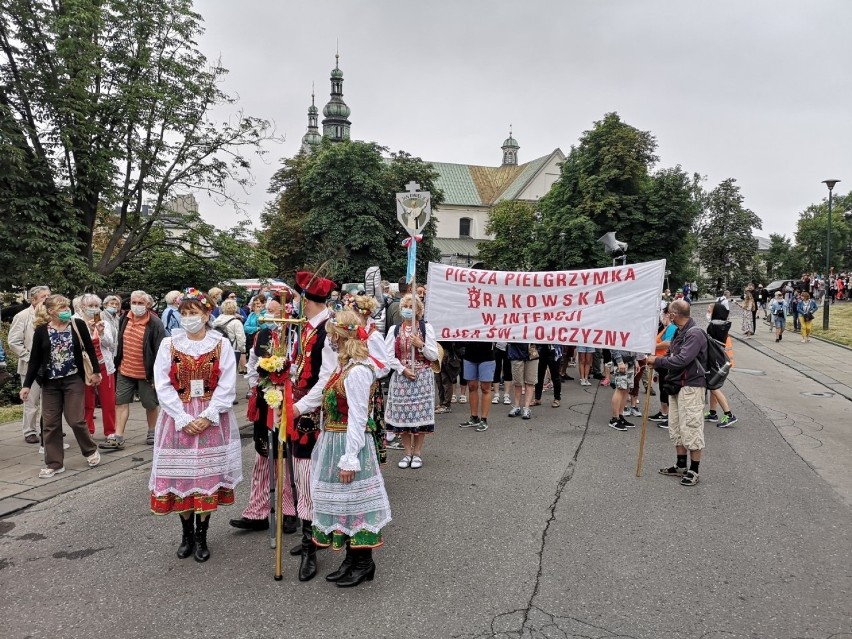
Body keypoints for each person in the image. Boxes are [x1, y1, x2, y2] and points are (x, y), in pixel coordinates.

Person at [148, 288, 242, 563]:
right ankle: (186, 533)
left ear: (207, 314)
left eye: (194, 313)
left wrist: (208, 415)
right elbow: (162, 383)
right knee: (182, 478)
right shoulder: (169, 344)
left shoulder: (220, 344)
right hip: (178, 418)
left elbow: (227, 384)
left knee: (205, 479)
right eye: (184, 313)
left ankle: (202, 534)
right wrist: (182, 416)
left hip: (212, 417)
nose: (188, 318)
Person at [311, 309, 392, 587]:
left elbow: (359, 417)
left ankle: (364, 562)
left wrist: (349, 458)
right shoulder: (344, 367)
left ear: (342, 336)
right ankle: (350, 558)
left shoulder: (357, 371)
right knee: (344, 504)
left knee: (357, 505)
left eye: (333, 334)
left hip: (349, 443)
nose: (330, 339)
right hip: (335, 440)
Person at [20, 294, 102, 478]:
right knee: (50, 424)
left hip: (73, 379)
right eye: (62, 309)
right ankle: (55, 463)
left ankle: (90, 450)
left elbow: (89, 348)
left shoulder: (77, 325)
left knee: (75, 420)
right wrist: (27, 385)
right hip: (50, 383)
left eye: (67, 307)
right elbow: (34, 361)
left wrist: (96, 372)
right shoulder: (42, 331)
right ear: (51, 312)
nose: (67, 311)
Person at [646, 300, 708, 487]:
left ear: (673, 315)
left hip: (691, 386)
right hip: (676, 385)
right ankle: (681, 465)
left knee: (691, 426)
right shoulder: (681, 332)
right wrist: (658, 363)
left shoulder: (695, 334)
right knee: (676, 427)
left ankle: (694, 469)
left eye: (668, 313)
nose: (666, 316)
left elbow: (682, 359)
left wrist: (657, 361)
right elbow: (671, 355)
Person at [103, 290, 165, 449]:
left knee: (150, 404)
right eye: (134, 302)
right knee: (121, 402)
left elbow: (159, 349)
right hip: (125, 370)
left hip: (145, 373)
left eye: (140, 303)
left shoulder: (155, 323)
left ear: (148, 305)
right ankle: (118, 436)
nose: (136, 306)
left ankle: (152, 431)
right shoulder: (124, 318)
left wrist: (156, 375)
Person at [384, 294, 438, 469]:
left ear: (418, 310)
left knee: (419, 416)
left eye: (411, 306)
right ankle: (407, 452)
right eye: (405, 305)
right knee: (403, 416)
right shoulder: (394, 329)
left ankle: (417, 453)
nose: (407, 309)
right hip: (402, 377)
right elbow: (387, 356)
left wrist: (420, 344)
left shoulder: (426, 328)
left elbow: (434, 355)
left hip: (422, 377)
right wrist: (402, 369)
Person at [7, 285, 51, 444]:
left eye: (48, 296)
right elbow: (13, 341)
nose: (47, 299)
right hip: (29, 366)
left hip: (48, 366)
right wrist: (29, 357)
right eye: (43, 297)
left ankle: (48, 429)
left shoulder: (50, 314)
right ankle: (30, 431)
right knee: (31, 402)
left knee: (49, 400)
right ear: (33, 299)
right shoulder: (23, 316)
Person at [79, 294, 117, 440]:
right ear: (82, 308)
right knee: (87, 401)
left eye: (96, 306)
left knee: (108, 401)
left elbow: (110, 344)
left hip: (104, 365)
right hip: (87, 367)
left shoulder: (102, 322)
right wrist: (88, 330)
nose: (94, 309)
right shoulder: (77, 323)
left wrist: (100, 332)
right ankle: (88, 430)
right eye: (91, 306)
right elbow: (79, 345)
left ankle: (110, 431)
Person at [705, 301, 737, 427]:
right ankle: (713, 412)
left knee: (713, 386)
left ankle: (729, 414)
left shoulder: (714, 325)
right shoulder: (723, 325)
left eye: (709, 311)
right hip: (721, 359)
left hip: (715, 360)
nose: (707, 313)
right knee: (713, 385)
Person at [458, 341, 495, 432]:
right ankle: (474, 417)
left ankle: (484, 419)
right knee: (472, 386)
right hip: (469, 355)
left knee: (485, 388)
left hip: (487, 355)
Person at [213, 299, 247, 376]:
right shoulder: (236, 322)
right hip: (232, 350)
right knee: (230, 375)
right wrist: (243, 350)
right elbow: (241, 339)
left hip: (218, 349)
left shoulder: (216, 321)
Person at [608, 349, 638, 431]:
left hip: (630, 360)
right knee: (620, 388)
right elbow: (614, 344)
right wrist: (619, 361)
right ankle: (614, 418)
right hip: (621, 361)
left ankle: (620, 416)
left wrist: (635, 360)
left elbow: (634, 344)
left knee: (626, 389)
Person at [507, 343, 536, 419]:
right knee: (517, 382)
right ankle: (517, 407)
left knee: (530, 381)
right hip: (516, 352)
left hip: (532, 352)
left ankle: (526, 408)